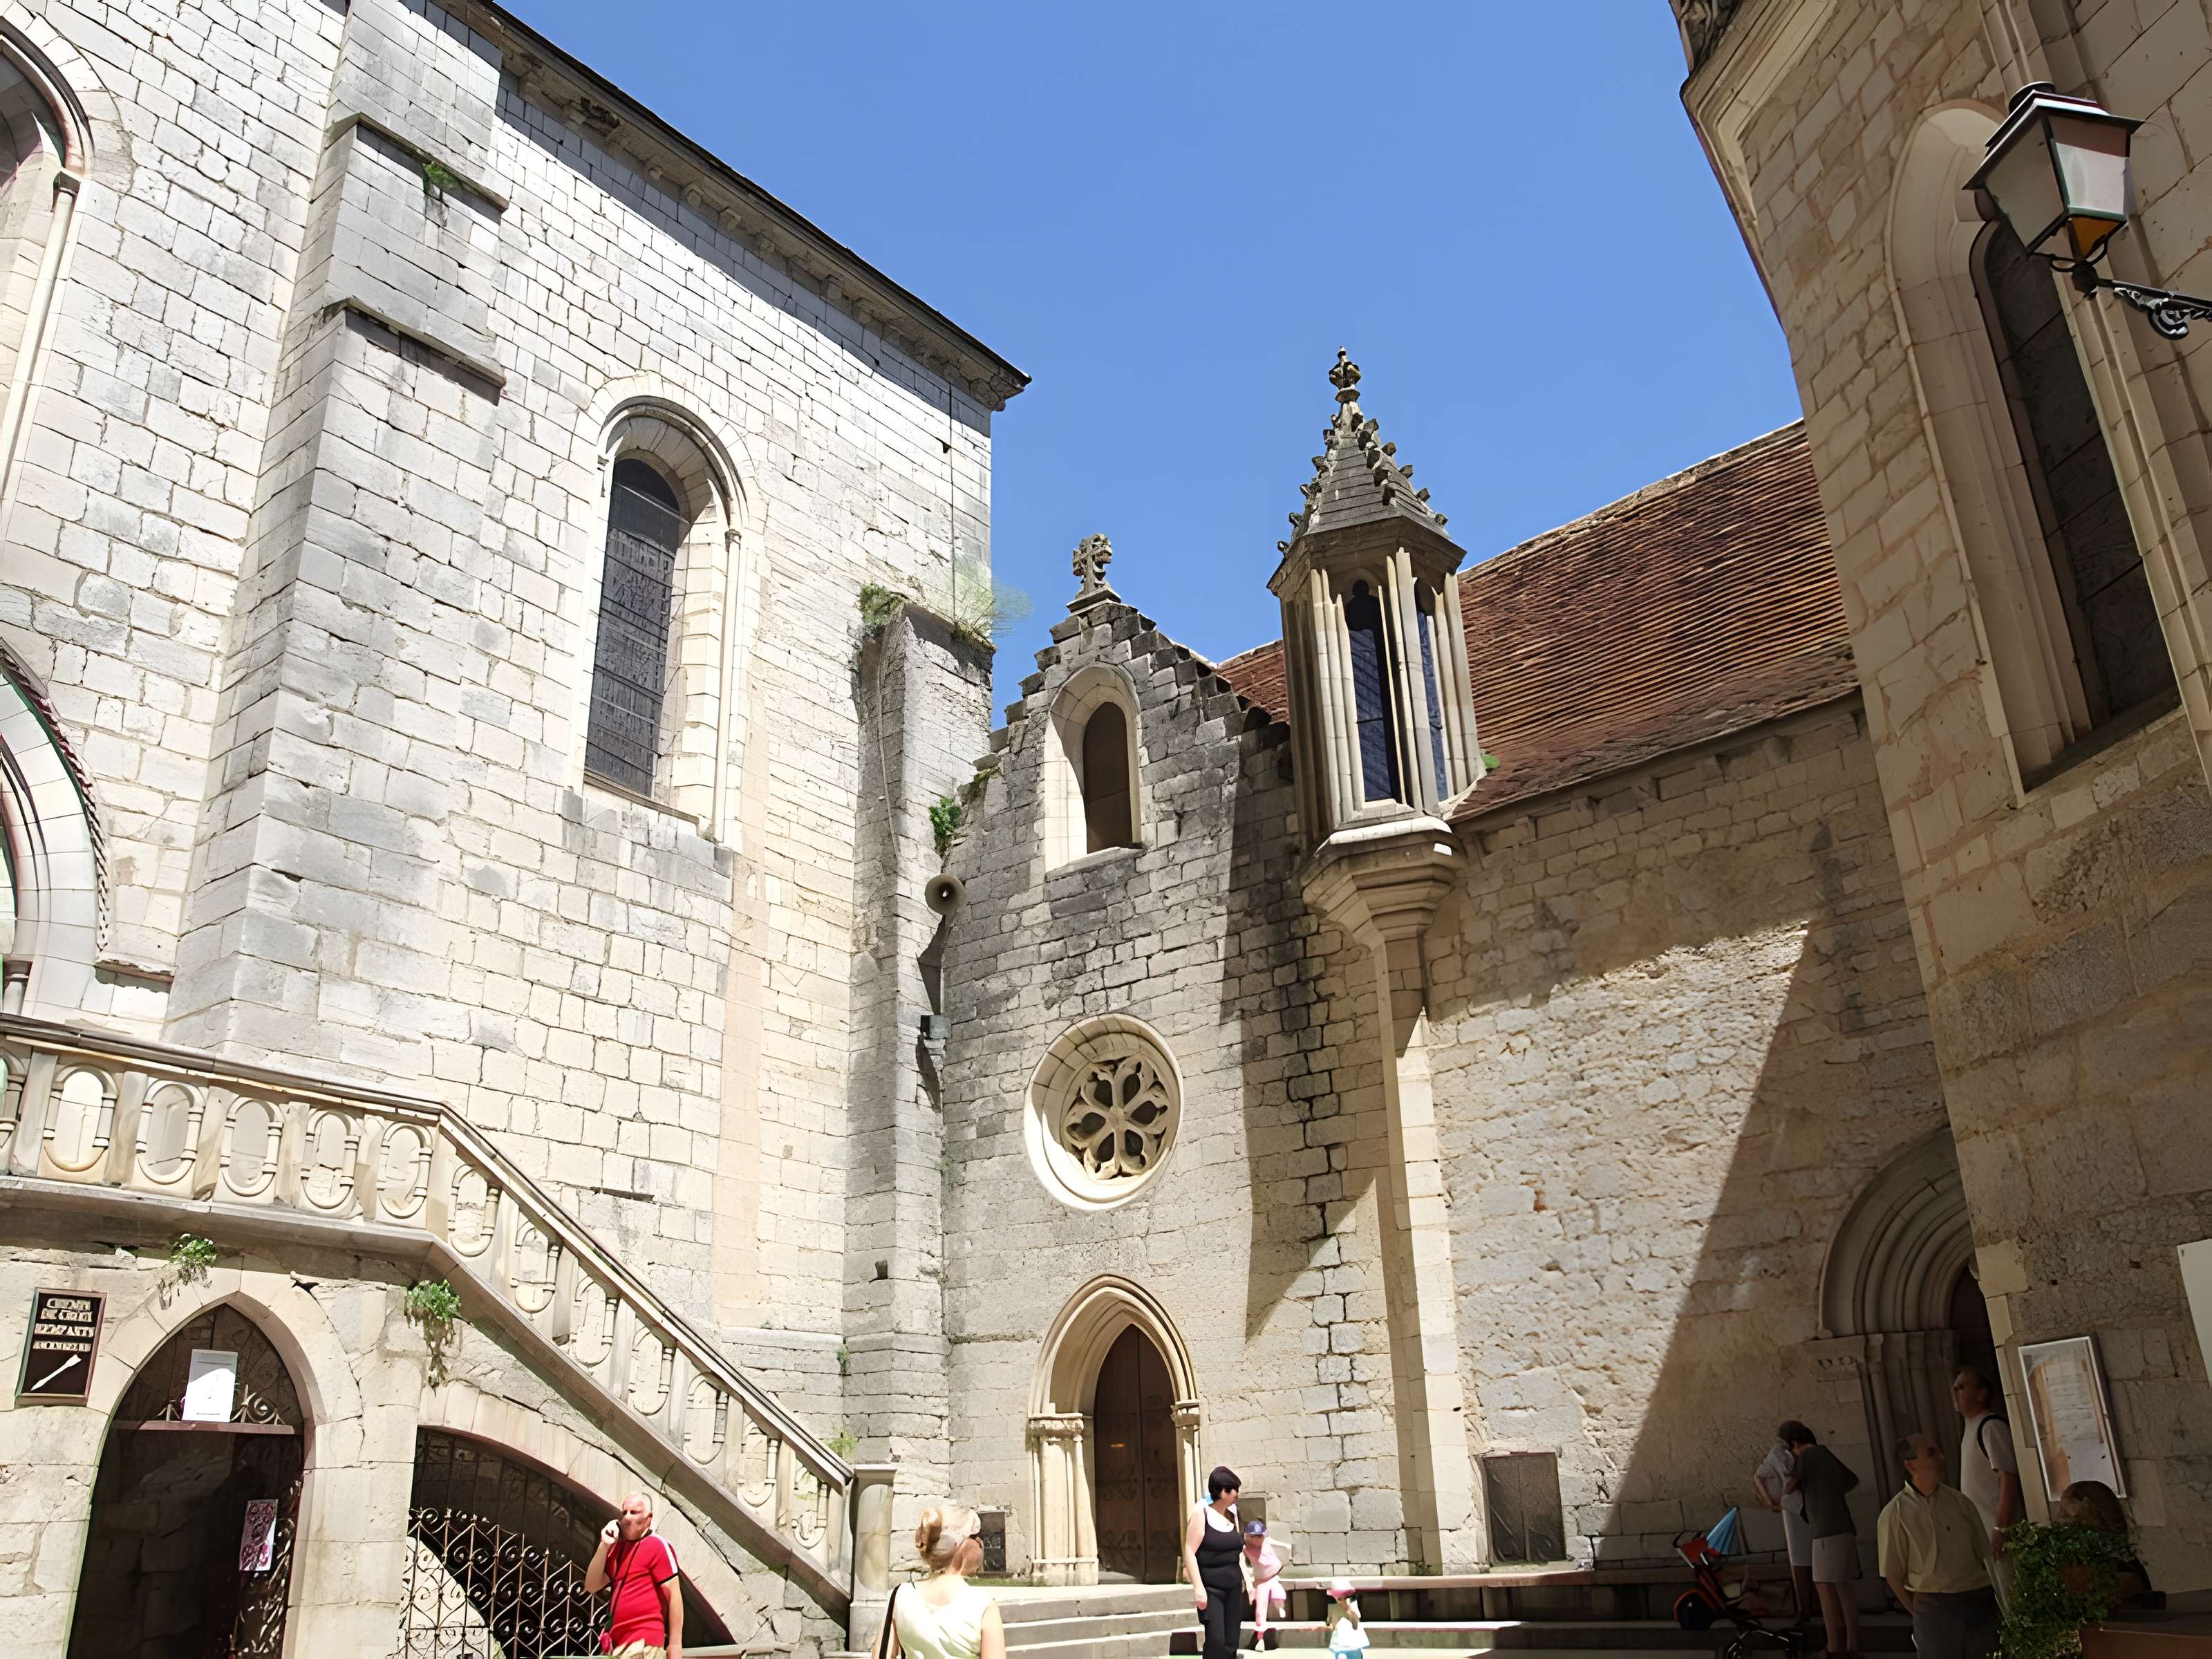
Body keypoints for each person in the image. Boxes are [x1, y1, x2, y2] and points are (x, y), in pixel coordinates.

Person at [1877, 1433, 1997, 1659]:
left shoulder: (1961, 1503)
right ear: (1910, 1464)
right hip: (1933, 1606)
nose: (1941, 1457)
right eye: (1931, 1452)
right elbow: (1893, 1575)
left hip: (1978, 1601)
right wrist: (1921, 1613)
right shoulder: (1895, 1514)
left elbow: (1986, 1555)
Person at [879, 1504, 1005, 1659]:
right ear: (962, 1546)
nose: (979, 1543)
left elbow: (881, 1655)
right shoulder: (983, 1605)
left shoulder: (899, 1596)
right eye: (974, 1537)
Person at [1782, 1425, 1861, 1659]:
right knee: (1843, 1588)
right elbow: (1850, 1481)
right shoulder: (1825, 1453)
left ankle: (1834, 1649)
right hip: (1844, 1527)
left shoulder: (1806, 1456)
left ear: (1794, 1443)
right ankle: (1852, 1648)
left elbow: (1788, 1487)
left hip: (1825, 1531)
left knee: (1824, 1587)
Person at [585, 1492, 684, 1659]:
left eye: (634, 1512)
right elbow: (591, 1585)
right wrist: (604, 1545)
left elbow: (674, 1596)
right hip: (618, 1647)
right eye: (624, 1513)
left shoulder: (657, 1545)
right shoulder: (619, 1550)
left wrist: (675, 1647)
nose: (627, 1518)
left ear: (649, 1518)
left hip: (643, 1645)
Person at [1951, 1369, 2019, 1562]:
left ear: (1981, 1394)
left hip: (2000, 1534)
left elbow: (2007, 1477)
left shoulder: (1990, 1426)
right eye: (1955, 1387)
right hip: (1983, 1534)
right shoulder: (1971, 1427)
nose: (1956, 1391)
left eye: (1962, 1387)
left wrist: (2001, 1528)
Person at [2052, 1481, 2155, 1605]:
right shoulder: (2069, 1559)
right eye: (2062, 1514)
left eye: (2071, 1519)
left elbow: (2129, 1584)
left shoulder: (2123, 1564)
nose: (2062, 1521)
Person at [1754, 1423, 1817, 1623]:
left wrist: (1771, 1502)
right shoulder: (1780, 1453)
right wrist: (1771, 1502)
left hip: (1802, 1507)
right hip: (1796, 1508)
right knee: (1802, 1559)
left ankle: (1810, 1607)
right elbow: (1760, 1477)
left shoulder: (1785, 1453)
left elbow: (1759, 1477)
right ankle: (1807, 1607)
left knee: (1808, 1559)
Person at [1183, 1466, 1247, 1659]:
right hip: (1212, 1590)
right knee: (1216, 1640)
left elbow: (1239, 1553)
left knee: (1231, 1642)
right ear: (1223, 1491)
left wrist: (1247, 1582)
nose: (1237, 1494)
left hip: (1234, 1588)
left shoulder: (1232, 1516)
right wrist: (1198, 1588)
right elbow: (1189, 1550)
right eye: (1234, 1489)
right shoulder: (1201, 1514)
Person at [1244, 1520, 1287, 1649]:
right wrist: (1249, 1585)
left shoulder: (1267, 1541)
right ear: (1249, 1537)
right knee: (1260, 1610)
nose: (1258, 1540)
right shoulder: (1246, 1549)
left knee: (1279, 1594)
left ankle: (1280, 1606)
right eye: (1255, 1537)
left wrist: (1286, 1546)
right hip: (1261, 1581)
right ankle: (1260, 1639)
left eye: (1260, 1537)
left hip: (1274, 1576)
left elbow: (1276, 1542)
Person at [1326, 1580, 1367, 1659]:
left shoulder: (1351, 1605)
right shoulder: (1332, 1606)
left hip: (1353, 1644)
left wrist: (1348, 1608)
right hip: (1340, 1644)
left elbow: (1356, 1624)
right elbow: (1331, 1623)